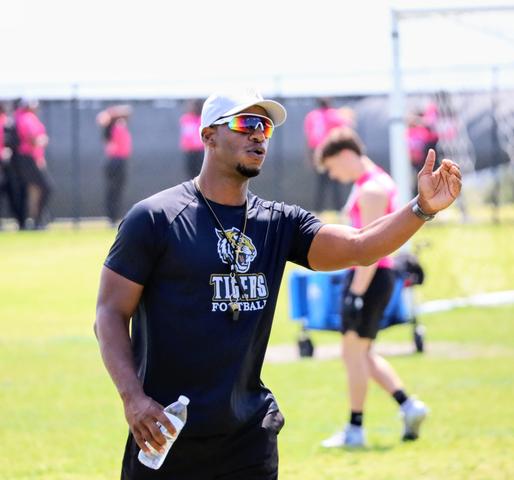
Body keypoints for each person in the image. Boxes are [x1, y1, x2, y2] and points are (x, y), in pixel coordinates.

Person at [94, 90, 461, 479]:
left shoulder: (278, 223)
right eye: (245, 123)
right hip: (165, 434)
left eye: (265, 126)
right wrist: (133, 399)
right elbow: (109, 313)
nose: (258, 134)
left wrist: (421, 208)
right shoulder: (155, 219)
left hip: (249, 439)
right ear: (209, 136)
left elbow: (360, 246)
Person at [315, 127, 433, 448]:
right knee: (362, 353)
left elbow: (369, 249)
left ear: (345, 155)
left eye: (332, 168)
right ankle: (409, 406)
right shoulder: (374, 182)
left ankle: (355, 429)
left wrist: (356, 292)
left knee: (352, 354)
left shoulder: (371, 189)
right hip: (374, 277)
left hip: (370, 276)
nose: (334, 176)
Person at [13, 98, 52, 229]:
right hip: (27, 158)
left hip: (31, 158)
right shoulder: (26, 118)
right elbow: (32, 139)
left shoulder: (26, 117)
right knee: (46, 187)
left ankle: (35, 220)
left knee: (34, 191)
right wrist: (42, 140)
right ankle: (36, 221)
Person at [303, 97, 348, 212]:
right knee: (335, 181)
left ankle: (319, 210)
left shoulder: (312, 116)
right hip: (331, 151)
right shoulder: (334, 114)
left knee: (322, 183)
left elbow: (309, 138)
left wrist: (310, 156)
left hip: (317, 152)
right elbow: (344, 130)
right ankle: (338, 209)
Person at [97, 104, 133, 226]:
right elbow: (102, 118)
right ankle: (111, 217)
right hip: (114, 161)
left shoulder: (120, 125)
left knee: (118, 190)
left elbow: (128, 111)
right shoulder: (111, 126)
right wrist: (114, 113)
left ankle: (115, 217)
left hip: (121, 161)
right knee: (112, 191)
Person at [179, 99, 204, 179]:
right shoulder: (186, 119)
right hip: (190, 150)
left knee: (200, 171)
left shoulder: (202, 119)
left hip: (200, 150)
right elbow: (186, 134)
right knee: (190, 171)